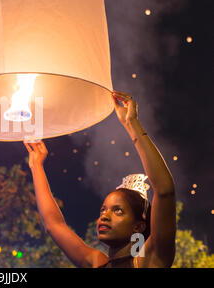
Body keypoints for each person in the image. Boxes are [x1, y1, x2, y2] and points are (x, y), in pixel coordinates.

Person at [24, 91, 176, 268]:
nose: (104, 216)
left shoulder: (149, 260)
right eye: (103, 210)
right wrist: (37, 166)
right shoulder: (96, 262)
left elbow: (164, 190)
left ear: (139, 227)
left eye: (117, 211)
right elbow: (54, 224)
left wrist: (131, 123)